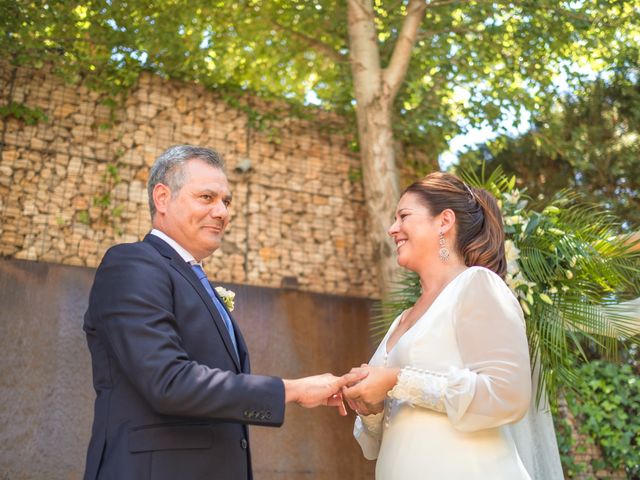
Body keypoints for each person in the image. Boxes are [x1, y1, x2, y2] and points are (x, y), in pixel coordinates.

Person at [83, 145, 361, 480]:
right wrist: (295, 390)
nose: (222, 212)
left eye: (226, 202)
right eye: (206, 197)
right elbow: (168, 381)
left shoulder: (193, 279)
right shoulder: (132, 263)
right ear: (161, 197)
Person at [342, 172, 563, 479]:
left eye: (403, 216)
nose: (393, 229)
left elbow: (507, 395)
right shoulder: (400, 321)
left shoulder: (477, 285)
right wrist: (372, 404)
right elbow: (384, 437)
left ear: (444, 221)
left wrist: (396, 380)